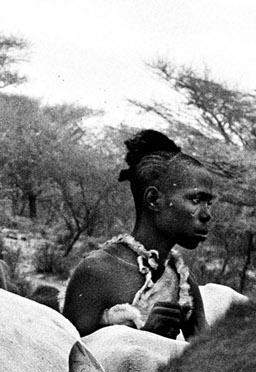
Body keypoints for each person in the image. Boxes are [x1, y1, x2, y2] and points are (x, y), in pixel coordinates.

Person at [63, 129, 217, 339]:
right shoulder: (97, 271)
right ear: (153, 200)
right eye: (196, 200)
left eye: (209, 203)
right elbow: (74, 353)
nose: (207, 215)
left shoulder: (183, 283)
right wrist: (146, 335)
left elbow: (205, 350)